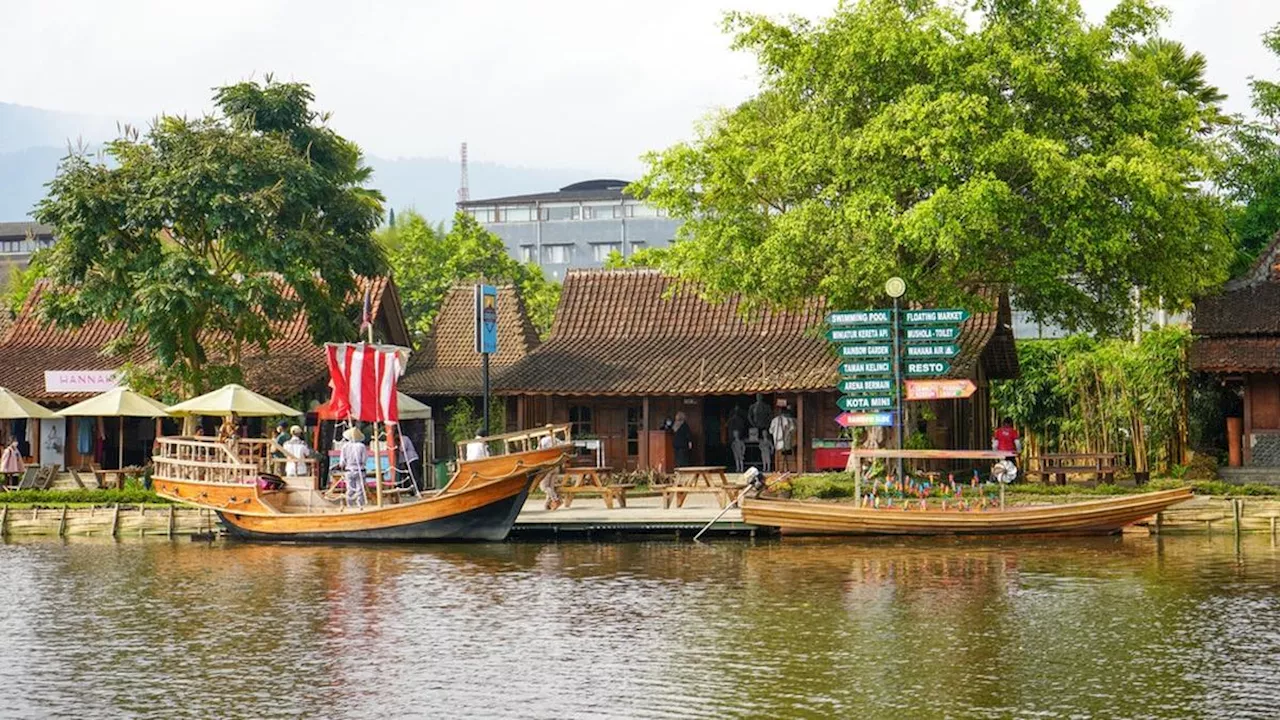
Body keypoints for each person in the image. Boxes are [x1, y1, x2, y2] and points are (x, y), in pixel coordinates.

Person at [340, 426, 369, 508]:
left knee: (350, 488)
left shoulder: (345, 446)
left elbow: (342, 461)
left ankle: (349, 504)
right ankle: (360, 504)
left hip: (349, 469)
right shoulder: (361, 446)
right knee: (360, 488)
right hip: (359, 469)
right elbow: (364, 460)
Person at [538, 429, 563, 510]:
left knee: (544, 487)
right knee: (550, 487)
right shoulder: (557, 440)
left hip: (547, 466)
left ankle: (556, 499)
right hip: (556, 465)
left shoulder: (544, 440)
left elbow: (538, 451)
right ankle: (547, 505)